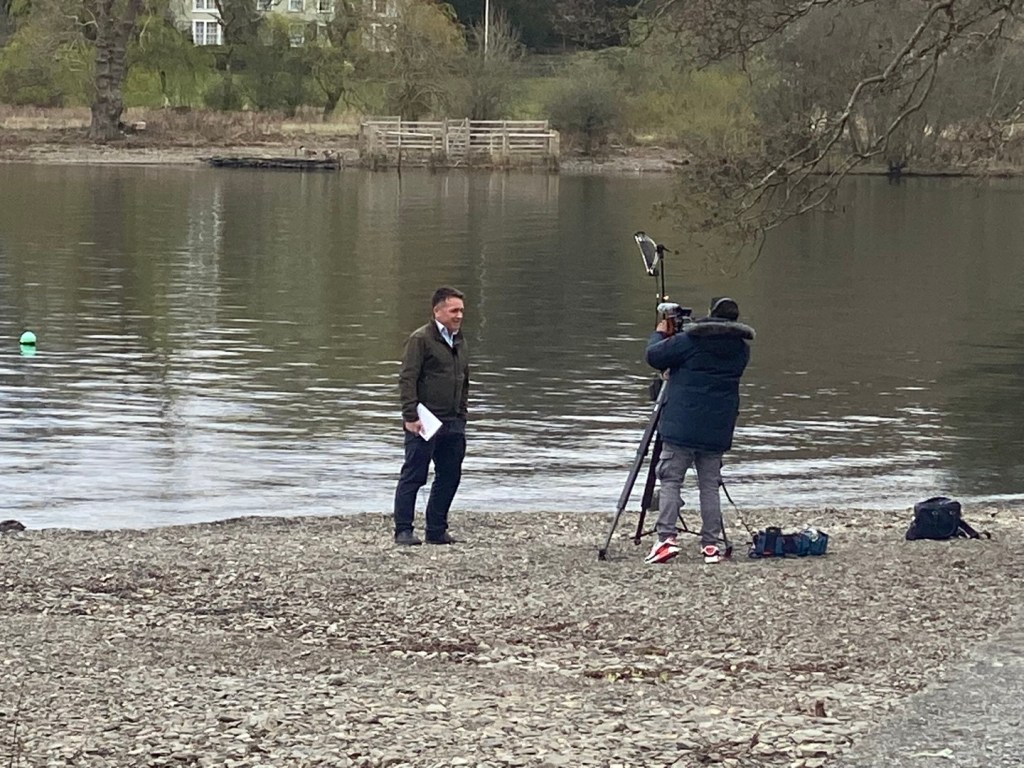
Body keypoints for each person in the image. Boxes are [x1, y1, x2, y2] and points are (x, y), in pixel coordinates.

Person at [643, 297, 755, 565]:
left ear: (711, 313)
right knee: (709, 485)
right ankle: (710, 545)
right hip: (718, 427)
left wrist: (661, 334)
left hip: (681, 425)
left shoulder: (690, 341)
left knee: (670, 479)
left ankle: (666, 539)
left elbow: (654, 356)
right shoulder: (741, 350)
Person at [393, 286, 470, 546]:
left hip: (453, 420)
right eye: (454, 310)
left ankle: (436, 530)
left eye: (461, 310)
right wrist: (410, 415)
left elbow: (464, 379)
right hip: (424, 420)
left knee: (450, 475)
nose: (459, 315)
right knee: (414, 474)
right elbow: (408, 378)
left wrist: (462, 413)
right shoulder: (421, 339)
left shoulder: (459, 340)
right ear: (437, 311)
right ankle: (403, 530)